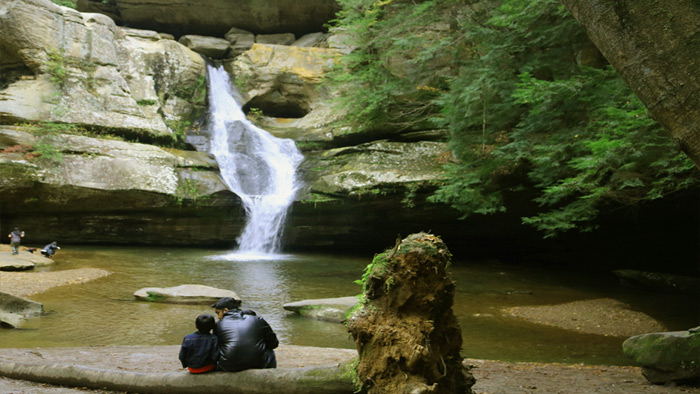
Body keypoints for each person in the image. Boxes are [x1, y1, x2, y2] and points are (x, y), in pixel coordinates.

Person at [212, 297, 278, 372]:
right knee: (270, 351)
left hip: (228, 366)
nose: (218, 317)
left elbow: (217, 347)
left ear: (226, 310)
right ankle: (269, 374)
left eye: (218, 313)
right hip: (258, 364)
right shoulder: (258, 320)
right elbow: (274, 344)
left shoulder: (218, 324)